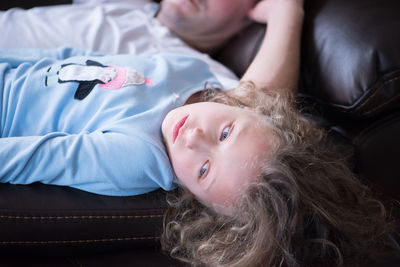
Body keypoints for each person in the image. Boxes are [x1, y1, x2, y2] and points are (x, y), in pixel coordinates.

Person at [0, 1, 395, 266]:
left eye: (204, 170)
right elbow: (65, 60)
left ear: (196, 197)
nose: (192, 138)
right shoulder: (199, 82)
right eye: (224, 134)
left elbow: (33, 157)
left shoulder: (137, 157)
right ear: (256, 110)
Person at [0, 0, 261, 90]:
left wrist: (289, 12)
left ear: (246, 22)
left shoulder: (197, 69)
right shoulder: (131, 7)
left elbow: (259, 110)